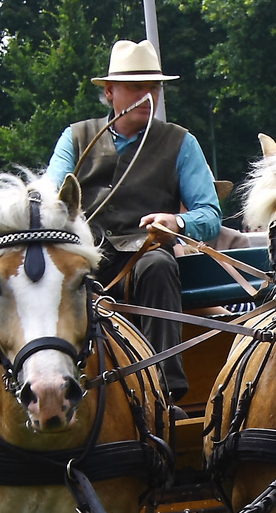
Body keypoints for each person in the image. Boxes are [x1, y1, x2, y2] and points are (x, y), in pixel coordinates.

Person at [44, 40, 222, 400]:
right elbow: (50, 202)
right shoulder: (75, 137)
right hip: (84, 258)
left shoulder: (180, 142)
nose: (148, 94)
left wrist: (177, 223)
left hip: (144, 258)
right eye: (136, 87)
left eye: (153, 87)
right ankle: (49, 381)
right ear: (110, 92)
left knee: (158, 264)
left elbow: (210, 213)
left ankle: (164, 390)